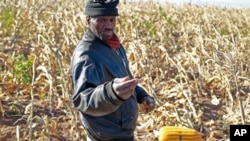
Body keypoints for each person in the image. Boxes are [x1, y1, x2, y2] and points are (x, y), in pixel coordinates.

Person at [70, 0, 156, 140]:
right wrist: (111, 93)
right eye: (102, 20)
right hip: (105, 136)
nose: (109, 25)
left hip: (123, 133)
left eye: (111, 20)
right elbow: (83, 100)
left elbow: (124, 79)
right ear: (88, 20)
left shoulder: (115, 46)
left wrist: (142, 96)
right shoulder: (86, 54)